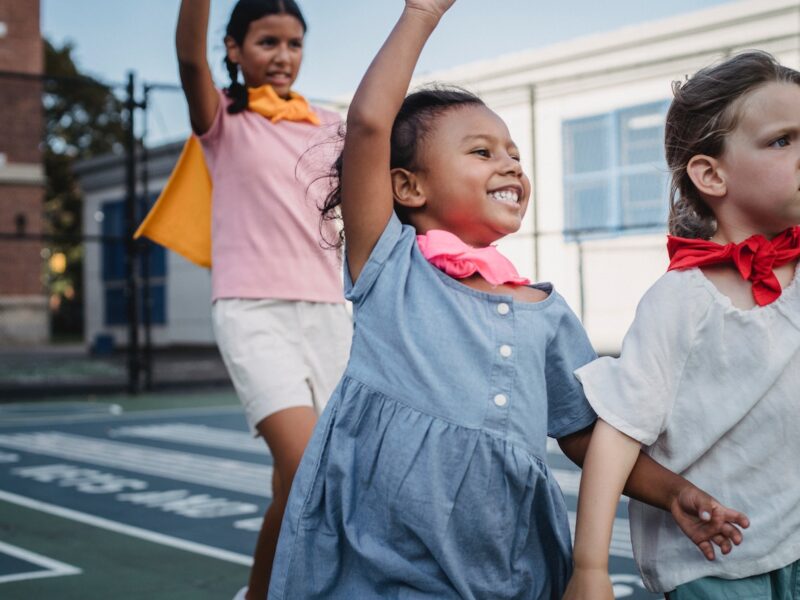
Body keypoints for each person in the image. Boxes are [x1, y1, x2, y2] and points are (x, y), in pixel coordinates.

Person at [267, 2, 748, 598]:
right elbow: (368, 123)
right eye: (481, 152)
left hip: (502, 557)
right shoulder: (392, 267)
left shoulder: (544, 311)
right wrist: (421, 13)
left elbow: (586, 436)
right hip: (381, 552)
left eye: (514, 153)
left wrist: (672, 490)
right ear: (407, 186)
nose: (510, 163)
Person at [564, 50, 800, 600]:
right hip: (711, 560)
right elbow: (617, 435)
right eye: (783, 140)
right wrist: (590, 568)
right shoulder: (680, 300)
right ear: (711, 173)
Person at [171, 1, 352, 598]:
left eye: (294, 44)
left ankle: (257, 594)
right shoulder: (223, 120)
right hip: (253, 314)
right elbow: (188, 58)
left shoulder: (331, 124)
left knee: (291, 486)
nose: (282, 56)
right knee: (307, 472)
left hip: (330, 316)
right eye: (267, 42)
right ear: (234, 50)